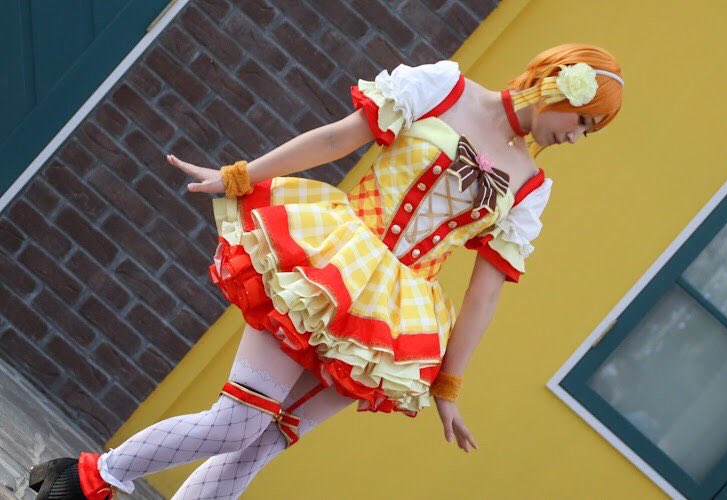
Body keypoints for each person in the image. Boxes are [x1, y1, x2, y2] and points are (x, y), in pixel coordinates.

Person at [29, 42, 623, 499]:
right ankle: (85, 479)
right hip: (329, 265)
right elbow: (339, 138)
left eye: (589, 133)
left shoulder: (533, 188)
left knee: (261, 445)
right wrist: (240, 176)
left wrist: (449, 384)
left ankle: (87, 482)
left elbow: (483, 295)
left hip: (390, 318)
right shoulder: (445, 87)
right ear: (559, 86)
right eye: (583, 123)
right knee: (237, 423)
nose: (578, 138)